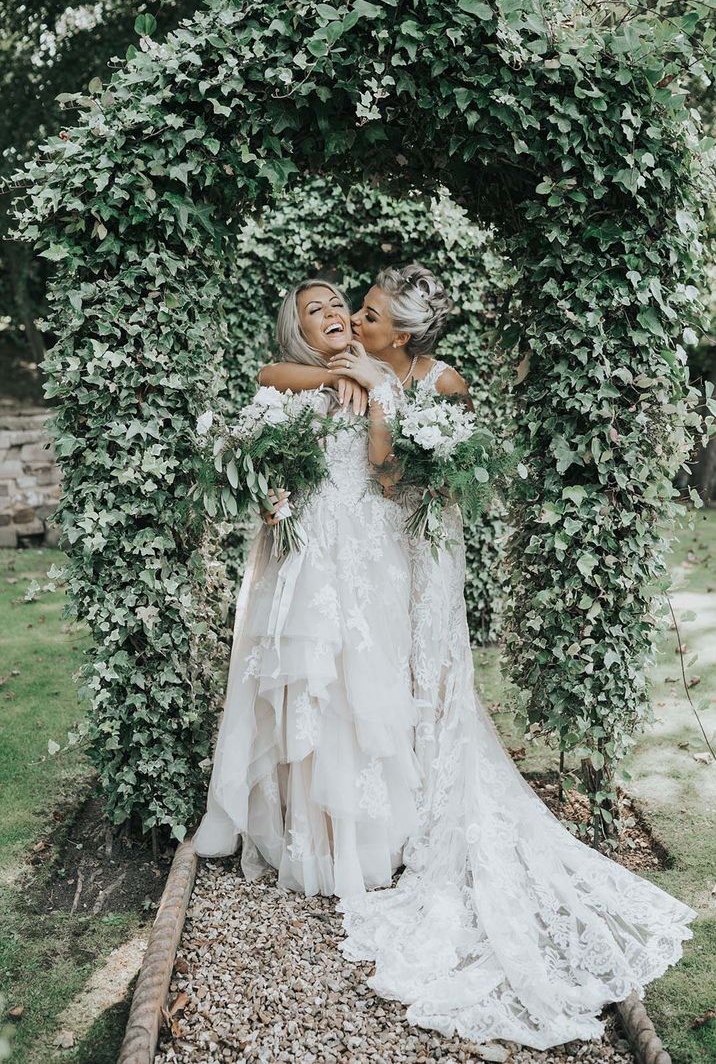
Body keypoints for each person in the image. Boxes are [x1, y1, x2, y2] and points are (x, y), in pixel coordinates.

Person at [260, 264, 697, 1051]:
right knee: (388, 678)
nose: (353, 321)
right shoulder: (342, 370)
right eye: (349, 313)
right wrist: (352, 380)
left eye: (365, 315)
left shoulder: (439, 379)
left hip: (422, 540)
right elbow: (281, 376)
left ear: (400, 334)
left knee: (428, 674)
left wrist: (383, 398)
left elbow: (408, 476)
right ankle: (393, 809)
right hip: (379, 545)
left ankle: (430, 802)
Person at [191, 280, 421, 899]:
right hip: (308, 552)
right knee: (306, 683)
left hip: (365, 552)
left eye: (338, 304)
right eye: (313, 310)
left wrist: (373, 388)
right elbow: (267, 374)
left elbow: (388, 471)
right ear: (300, 330)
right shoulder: (288, 383)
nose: (333, 314)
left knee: (358, 686)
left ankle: (362, 838)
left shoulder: (380, 380)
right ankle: (305, 834)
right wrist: (327, 380)